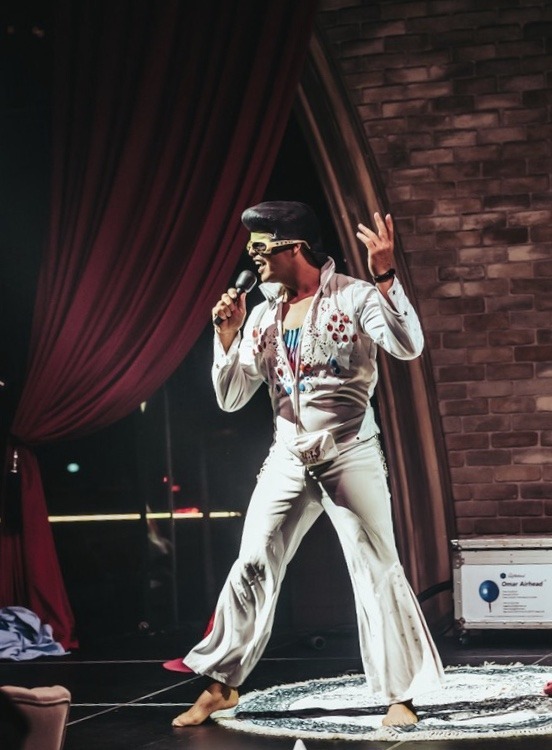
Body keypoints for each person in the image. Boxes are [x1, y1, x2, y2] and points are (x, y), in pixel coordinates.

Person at [172, 201, 444, 728]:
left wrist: (385, 275)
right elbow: (230, 397)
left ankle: (402, 695)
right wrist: (226, 336)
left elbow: (409, 345)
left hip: (348, 452)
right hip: (287, 456)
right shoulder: (262, 315)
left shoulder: (354, 296)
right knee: (254, 562)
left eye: (261, 247)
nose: (253, 258)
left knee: (375, 568)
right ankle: (222, 685)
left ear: (293, 247)